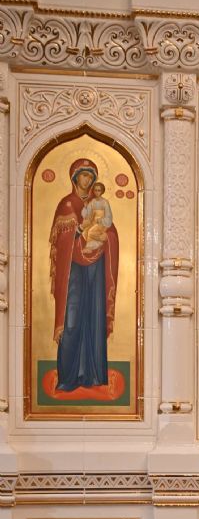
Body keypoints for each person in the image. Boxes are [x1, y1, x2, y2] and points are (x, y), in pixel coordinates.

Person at [49, 159, 120, 392]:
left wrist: (105, 236)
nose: (87, 180)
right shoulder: (67, 204)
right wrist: (79, 232)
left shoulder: (99, 204)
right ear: (74, 178)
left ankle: (93, 374)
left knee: (94, 315)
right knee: (72, 317)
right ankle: (68, 376)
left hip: (96, 268)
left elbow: (111, 232)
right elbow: (61, 242)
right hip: (72, 270)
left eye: (91, 176)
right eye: (84, 175)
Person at [80, 181, 113, 254]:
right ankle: (96, 242)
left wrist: (101, 220)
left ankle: (89, 247)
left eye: (99, 190)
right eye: (95, 190)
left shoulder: (105, 202)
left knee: (90, 231)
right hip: (93, 222)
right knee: (85, 231)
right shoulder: (93, 202)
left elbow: (109, 216)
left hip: (102, 223)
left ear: (102, 191)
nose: (97, 192)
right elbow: (87, 214)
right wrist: (85, 207)